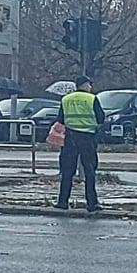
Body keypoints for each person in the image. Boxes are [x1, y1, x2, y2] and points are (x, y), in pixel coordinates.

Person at [54, 75, 105, 212]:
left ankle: (62, 201)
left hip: (70, 137)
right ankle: (92, 203)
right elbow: (101, 118)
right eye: (90, 84)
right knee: (89, 171)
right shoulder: (92, 98)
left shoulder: (66, 99)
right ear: (86, 84)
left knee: (67, 171)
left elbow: (61, 119)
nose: (91, 87)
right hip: (87, 137)